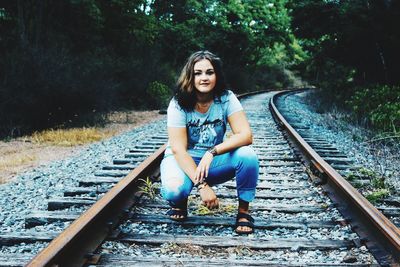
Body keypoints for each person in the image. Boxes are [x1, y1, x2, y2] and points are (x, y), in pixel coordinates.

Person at [160, 50, 259, 234]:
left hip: (211, 163)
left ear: (216, 75)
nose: (204, 78)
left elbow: (246, 135)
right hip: (183, 162)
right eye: (198, 73)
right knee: (174, 190)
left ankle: (243, 212)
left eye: (209, 72)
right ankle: (180, 200)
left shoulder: (226, 98)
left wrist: (212, 152)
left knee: (248, 155)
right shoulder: (178, 103)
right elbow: (178, 150)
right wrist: (202, 186)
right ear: (190, 76)